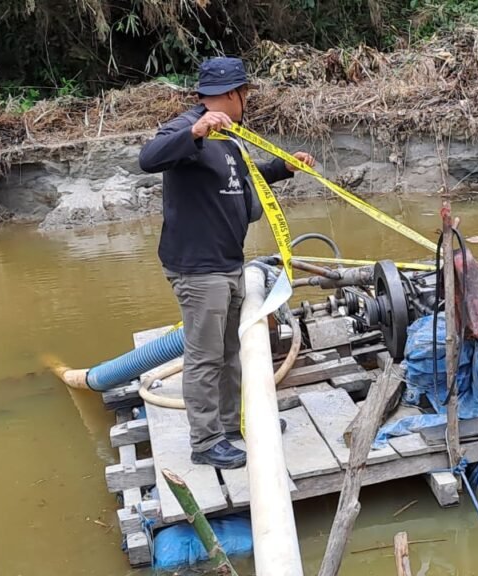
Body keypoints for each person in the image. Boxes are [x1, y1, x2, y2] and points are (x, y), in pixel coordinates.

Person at [138, 57, 315, 469]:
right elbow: (148, 158)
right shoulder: (190, 127)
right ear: (234, 93)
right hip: (199, 268)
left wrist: (283, 167)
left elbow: (243, 181)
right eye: (246, 94)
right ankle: (205, 443)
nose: (247, 101)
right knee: (204, 356)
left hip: (229, 261)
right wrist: (195, 132)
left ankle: (233, 425)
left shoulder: (231, 136)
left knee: (232, 350)